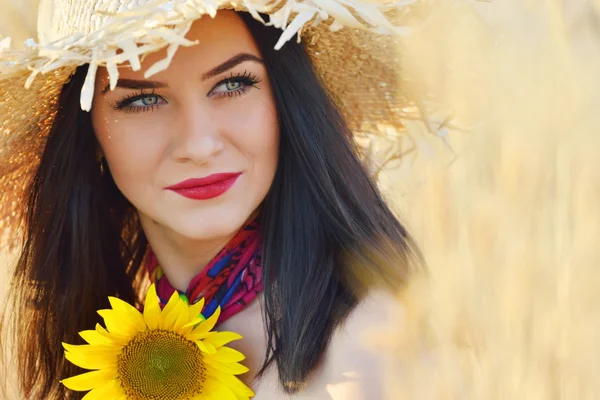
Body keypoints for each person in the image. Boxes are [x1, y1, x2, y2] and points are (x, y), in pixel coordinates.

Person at [0, 1, 422, 399]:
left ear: (287, 101)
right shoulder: (93, 341)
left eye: (234, 84)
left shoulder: (371, 351)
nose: (199, 145)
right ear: (88, 136)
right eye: (143, 100)